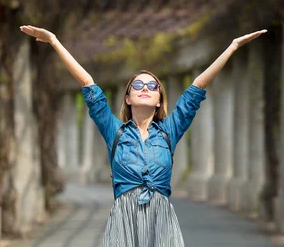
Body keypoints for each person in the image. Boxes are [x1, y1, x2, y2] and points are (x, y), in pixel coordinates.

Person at [20, 25, 267, 247]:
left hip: (162, 222)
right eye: (137, 85)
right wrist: (54, 41)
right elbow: (87, 82)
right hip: (123, 221)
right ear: (127, 97)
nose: (145, 89)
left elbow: (198, 87)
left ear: (160, 100)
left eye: (152, 86)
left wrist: (232, 46)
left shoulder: (170, 131)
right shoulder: (114, 131)